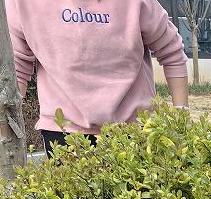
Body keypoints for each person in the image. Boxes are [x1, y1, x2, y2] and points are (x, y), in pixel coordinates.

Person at [6, 0, 189, 158]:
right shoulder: (22, 4)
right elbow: (16, 68)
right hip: (62, 131)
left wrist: (181, 119)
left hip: (135, 128)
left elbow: (171, 51)